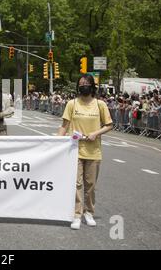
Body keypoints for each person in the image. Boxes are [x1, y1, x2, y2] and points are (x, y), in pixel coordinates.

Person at [58, 74, 113, 230]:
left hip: (93, 151)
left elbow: (109, 125)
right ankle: (76, 214)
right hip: (74, 150)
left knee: (90, 185)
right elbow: (64, 125)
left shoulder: (100, 104)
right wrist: (55, 142)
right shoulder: (72, 104)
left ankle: (88, 212)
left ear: (92, 86)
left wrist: (96, 133)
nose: (83, 86)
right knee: (76, 183)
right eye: (81, 84)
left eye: (86, 84)